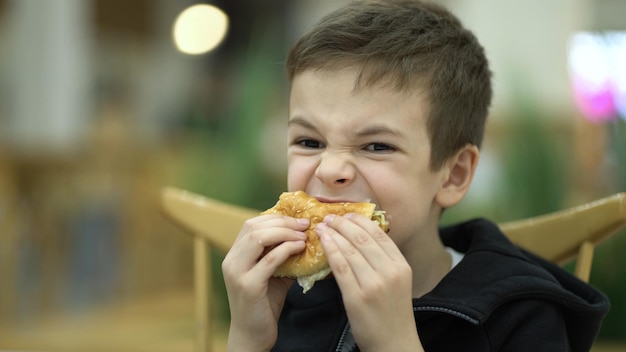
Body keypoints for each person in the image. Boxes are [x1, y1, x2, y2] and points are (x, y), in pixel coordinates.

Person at [221, 0, 610, 351]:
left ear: (452, 176)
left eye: (376, 146)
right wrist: (248, 340)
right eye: (308, 141)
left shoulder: (522, 317)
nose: (330, 169)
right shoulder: (286, 293)